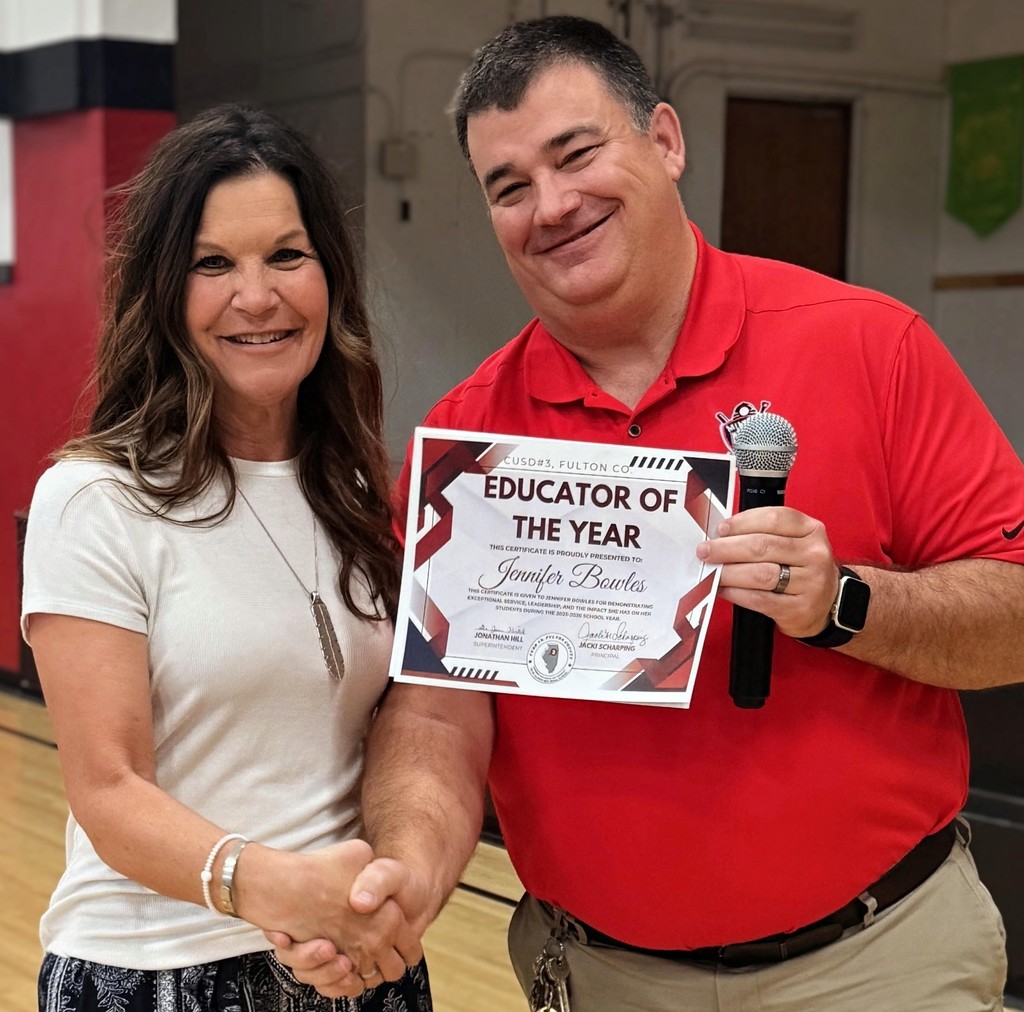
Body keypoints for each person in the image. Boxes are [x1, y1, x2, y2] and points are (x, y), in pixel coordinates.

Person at [276, 15, 1024, 1011]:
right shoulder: (470, 441)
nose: (551, 204)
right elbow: (438, 712)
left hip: (875, 964)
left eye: (575, 153)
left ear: (665, 141)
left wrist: (845, 603)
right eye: (508, 187)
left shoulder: (871, 349)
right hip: (595, 974)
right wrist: (409, 867)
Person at [21, 105, 431, 1011]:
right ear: (165, 292)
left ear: (330, 274)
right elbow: (109, 788)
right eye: (214, 264)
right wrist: (278, 890)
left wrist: (383, 889)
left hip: (351, 961)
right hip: (160, 968)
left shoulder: (358, 495)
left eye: (286, 255)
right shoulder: (95, 499)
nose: (257, 296)